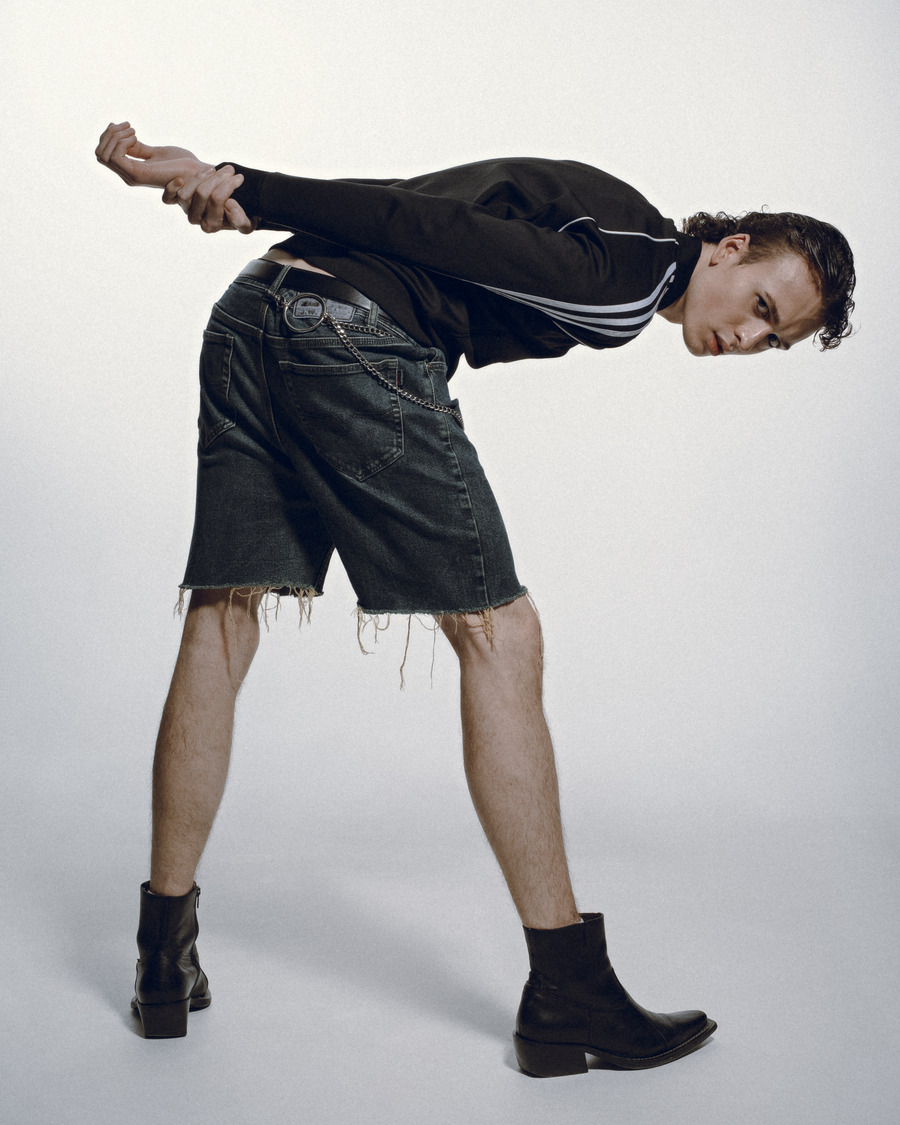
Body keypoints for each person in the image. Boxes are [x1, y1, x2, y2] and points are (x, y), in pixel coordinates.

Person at [95, 122, 855, 1075]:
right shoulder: (631, 278)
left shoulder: (617, 220)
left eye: (770, 340)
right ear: (732, 247)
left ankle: (162, 959)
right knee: (504, 633)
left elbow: (413, 206)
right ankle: (569, 991)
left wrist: (238, 187)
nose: (744, 336)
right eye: (760, 305)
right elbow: (429, 231)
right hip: (343, 332)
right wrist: (250, 187)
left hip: (254, 312)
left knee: (223, 614)